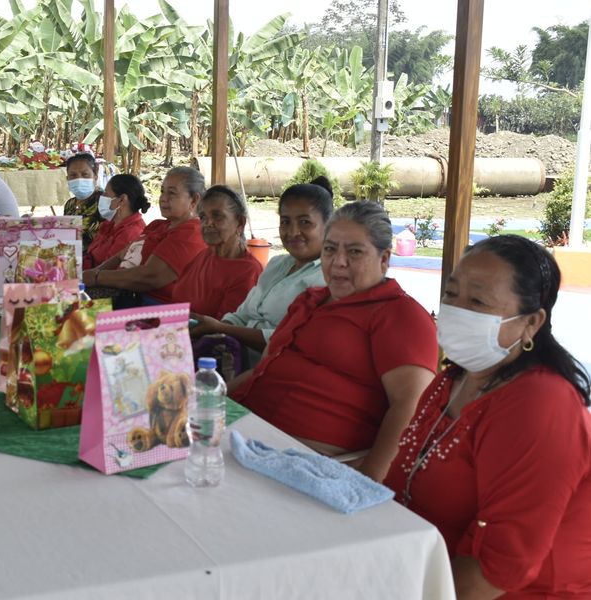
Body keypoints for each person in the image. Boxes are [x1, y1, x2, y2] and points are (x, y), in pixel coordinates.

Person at [385, 235, 591, 599]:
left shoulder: (541, 404)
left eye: (477, 301)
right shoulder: (453, 380)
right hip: (420, 568)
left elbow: (497, 569)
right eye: (451, 294)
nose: (455, 310)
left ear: (530, 323)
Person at [229, 201, 437, 482]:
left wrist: (368, 481)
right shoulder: (309, 300)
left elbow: (410, 406)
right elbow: (263, 369)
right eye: (330, 249)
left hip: (305, 460)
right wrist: (211, 401)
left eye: (354, 252)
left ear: (384, 259)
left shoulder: (400, 315)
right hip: (243, 431)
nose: (338, 262)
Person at [190, 178, 332, 366]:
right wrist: (214, 330)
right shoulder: (277, 264)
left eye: (305, 222)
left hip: (273, 369)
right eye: (285, 222)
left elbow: (288, 340)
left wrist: (221, 328)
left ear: (329, 226)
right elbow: (241, 316)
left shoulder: (328, 279)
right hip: (232, 358)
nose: (293, 232)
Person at [83, 166, 207, 304]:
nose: (163, 198)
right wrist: (92, 274)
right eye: (162, 191)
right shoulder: (158, 226)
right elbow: (120, 255)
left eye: (171, 193)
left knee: (72, 313)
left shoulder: (191, 234)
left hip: (155, 308)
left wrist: (97, 277)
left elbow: (149, 277)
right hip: (125, 296)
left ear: (194, 200)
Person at [172, 185, 263, 319]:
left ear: (240, 223)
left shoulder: (248, 271)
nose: (208, 223)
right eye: (203, 217)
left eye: (217, 216)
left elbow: (226, 326)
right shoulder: (203, 256)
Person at [84, 174, 148, 268]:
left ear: (122, 200)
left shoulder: (131, 233)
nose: (102, 197)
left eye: (106, 194)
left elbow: (107, 270)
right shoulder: (110, 224)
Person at [63, 153, 105, 249]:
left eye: (85, 174)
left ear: (95, 176)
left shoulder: (104, 202)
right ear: (67, 179)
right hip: (71, 255)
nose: (79, 179)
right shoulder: (69, 204)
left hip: (97, 256)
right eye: (73, 175)